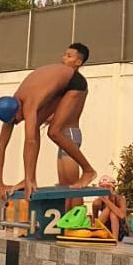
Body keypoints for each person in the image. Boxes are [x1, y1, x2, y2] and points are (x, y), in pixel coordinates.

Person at [0, 44, 96, 203]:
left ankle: (88, 171)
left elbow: (30, 141)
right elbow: (1, 145)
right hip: (58, 84)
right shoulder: (12, 104)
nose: (17, 122)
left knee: (54, 132)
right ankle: (28, 179)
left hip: (74, 84)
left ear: (18, 109)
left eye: (16, 119)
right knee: (35, 127)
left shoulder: (29, 105)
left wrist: (29, 179)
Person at [54, 44, 91, 191]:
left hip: (70, 134)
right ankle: (68, 214)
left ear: (78, 62)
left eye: (69, 56)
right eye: (64, 55)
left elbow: (68, 112)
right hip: (61, 136)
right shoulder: (65, 83)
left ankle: (78, 214)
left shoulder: (77, 83)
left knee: (74, 188)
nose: (64, 58)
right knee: (65, 187)